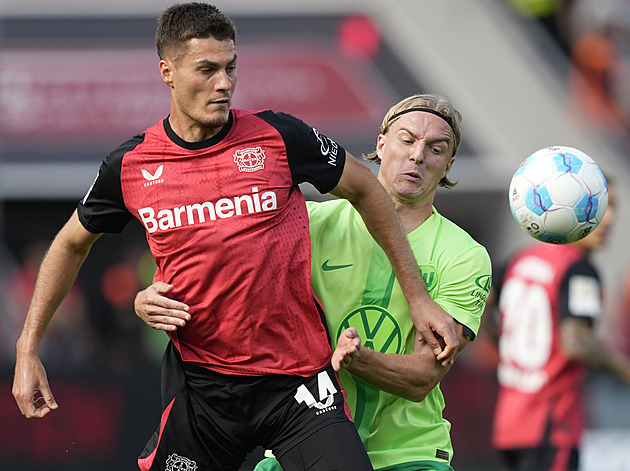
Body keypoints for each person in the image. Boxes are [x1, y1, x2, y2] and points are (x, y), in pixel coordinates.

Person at [11, 4, 459, 471]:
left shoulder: (279, 136)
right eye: (206, 69)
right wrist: (29, 349)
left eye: (231, 68)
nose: (223, 83)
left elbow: (366, 187)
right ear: (167, 71)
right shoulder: (131, 165)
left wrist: (419, 298)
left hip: (298, 386)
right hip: (203, 391)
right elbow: (70, 243)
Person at [136, 94, 492, 471]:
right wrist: (146, 298)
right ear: (381, 143)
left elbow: (423, 377)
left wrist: (359, 361)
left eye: (435, 149)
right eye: (407, 140)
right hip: (297, 437)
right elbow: (218, 276)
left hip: (410, 454)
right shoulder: (309, 222)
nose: (418, 155)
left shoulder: (465, 255)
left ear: (449, 165)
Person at [485, 180, 630, 471]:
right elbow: (576, 342)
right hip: (552, 424)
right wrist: (623, 369)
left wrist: (509, 350)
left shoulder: (520, 259)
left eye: (613, 206)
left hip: (510, 424)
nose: (609, 218)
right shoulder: (579, 269)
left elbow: (482, 303)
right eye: (599, 206)